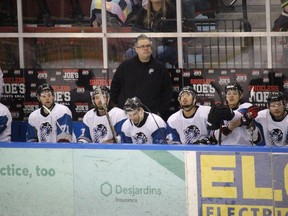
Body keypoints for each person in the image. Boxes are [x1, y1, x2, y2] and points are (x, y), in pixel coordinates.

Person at [110, 34, 173, 121]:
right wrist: (120, 107)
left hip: (151, 117)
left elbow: (167, 92)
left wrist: (160, 112)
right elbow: (114, 88)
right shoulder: (125, 66)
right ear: (136, 49)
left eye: (148, 46)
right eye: (142, 46)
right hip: (128, 116)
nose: (146, 48)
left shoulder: (160, 68)